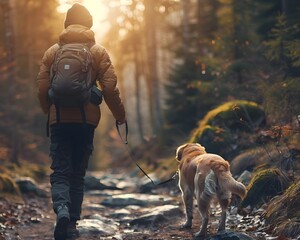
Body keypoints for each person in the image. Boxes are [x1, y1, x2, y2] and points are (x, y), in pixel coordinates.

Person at [36, 3, 126, 240]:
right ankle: (72, 224)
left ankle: (62, 211)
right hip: (86, 123)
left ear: (66, 25)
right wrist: (120, 115)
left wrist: (50, 110)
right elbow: (109, 88)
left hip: (59, 121)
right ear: (89, 25)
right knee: (77, 174)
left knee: (60, 172)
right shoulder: (98, 51)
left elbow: (43, 86)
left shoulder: (52, 52)